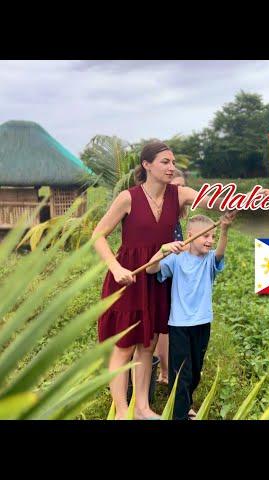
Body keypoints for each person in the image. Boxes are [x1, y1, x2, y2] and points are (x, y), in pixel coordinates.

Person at [92, 140, 219, 420]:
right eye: (165, 162)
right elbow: (97, 235)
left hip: (158, 278)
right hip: (129, 277)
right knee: (124, 346)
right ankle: (123, 411)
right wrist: (114, 268)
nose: (171, 167)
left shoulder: (179, 194)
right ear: (147, 165)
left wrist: (251, 200)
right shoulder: (128, 197)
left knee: (147, 345)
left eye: (173, 162)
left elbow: (213, 201)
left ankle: (142, 408)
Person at [146, 213, 233, 420]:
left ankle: (184, 404)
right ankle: (179, 414)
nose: (210, 241)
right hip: (180, 325)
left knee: (195, 371)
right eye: (206, 236)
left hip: (203, 323)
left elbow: (220, 253)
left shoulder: (209, 260)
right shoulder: (176, 260)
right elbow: (150, 269)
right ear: (191, 235)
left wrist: (224, 231)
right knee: (181, 372)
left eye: (212, 236)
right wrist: (162, 250)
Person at [155, 169, 187, 386]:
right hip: (159, 273)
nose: (179, 192)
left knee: (166, 324)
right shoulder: (159, 214)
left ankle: (165, 371)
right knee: (163, 325)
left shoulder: (178, 214)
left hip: (173, 273)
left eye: (182, 187)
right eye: (175, 187)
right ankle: (164, 373)